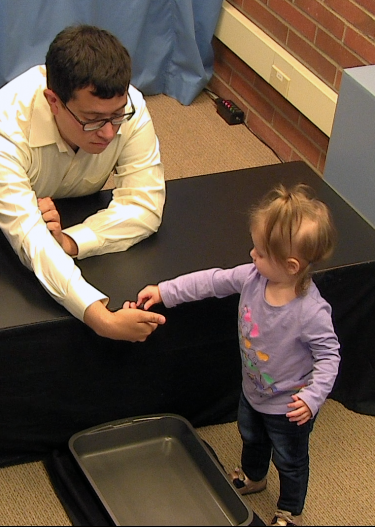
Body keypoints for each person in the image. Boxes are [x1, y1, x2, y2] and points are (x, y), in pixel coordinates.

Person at [135, 184, 341, 526]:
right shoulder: (253, 278)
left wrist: (313, 397)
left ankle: (290, 510)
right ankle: (254, 476)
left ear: (290, 265)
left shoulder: (311, 312)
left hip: (290, 409)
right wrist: (164, 291)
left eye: (260, 252)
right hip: (253, 392)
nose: (251, 255)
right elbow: (211, 282)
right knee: (251, 437)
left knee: (290, 460)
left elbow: (330, 356)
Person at [0, 24, 166, 341]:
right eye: (92, 120)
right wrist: (101, 318)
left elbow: (145, 206)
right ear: (54, 101)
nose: (108, 133)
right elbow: (31, 240)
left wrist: (70, 242)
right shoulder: (6, 125)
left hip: (65, 217)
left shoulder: (130, 107)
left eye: (116, 116)